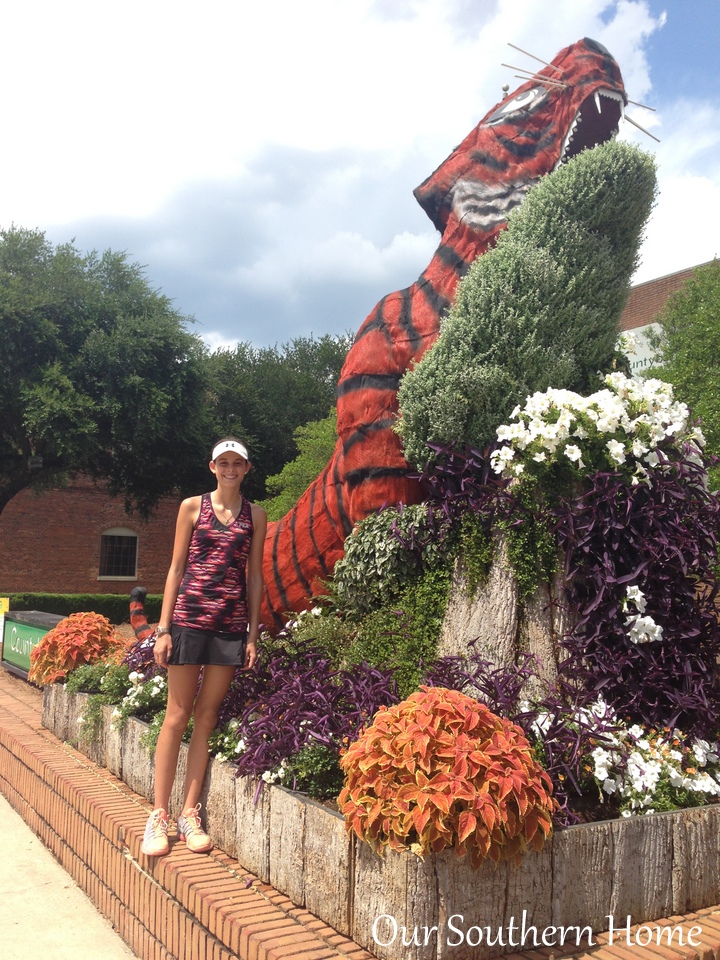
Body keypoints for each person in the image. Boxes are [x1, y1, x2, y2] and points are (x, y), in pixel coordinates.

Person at [141, 437, 267, 857]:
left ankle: (188, 813)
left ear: (247, 468)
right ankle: (158, 815)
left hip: (228, 627)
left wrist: (251, 635)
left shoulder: (256, 516)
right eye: (223, 462)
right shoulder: (191, 507)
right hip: (189, 624)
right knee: (176, 716)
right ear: (212, 466)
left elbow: (253, 578)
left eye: (237, 463)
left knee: (206, 717)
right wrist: (163, 628)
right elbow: (176, 567)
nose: (230, 469)